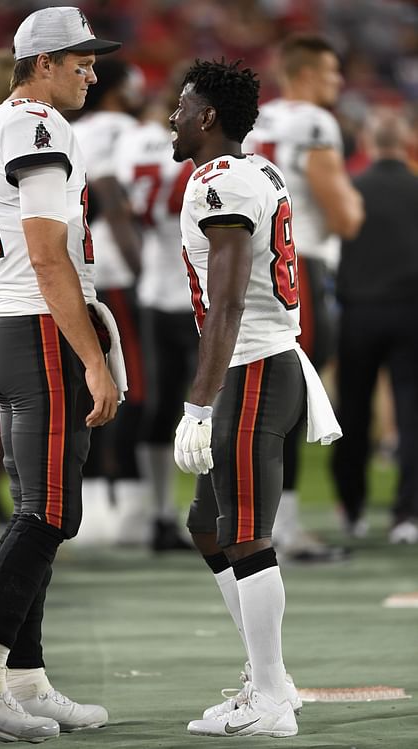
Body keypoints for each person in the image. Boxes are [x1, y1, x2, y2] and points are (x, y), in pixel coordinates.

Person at [0, 6, 123, 742]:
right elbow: (49, 257)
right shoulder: (38, 126)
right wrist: (91, 355)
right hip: (35, 327)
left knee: (37, 507)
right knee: (50, 510)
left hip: (2, 322)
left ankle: (25, 675)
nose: (93, 71)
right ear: (41, 64)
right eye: (79, 60)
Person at [169, 59, 341, 738]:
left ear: (207, 116)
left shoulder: (222, 183)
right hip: (261, 360)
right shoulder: (256, 169)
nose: (172, 117)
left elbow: (231, 300)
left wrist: (199, 402)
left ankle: (271, 696)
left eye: (183, 107)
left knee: (244, 531)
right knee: (208, 524)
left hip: (256, 365)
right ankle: (268, 675)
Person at [243, 33, 365, 561]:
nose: (337, 84)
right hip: (301, 265)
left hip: (255, 267)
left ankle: (262, 521)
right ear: (309, 74)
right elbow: (344, 216)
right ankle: (283, 529)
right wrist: (354, 204)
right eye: (332, 73)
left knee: (269, 396)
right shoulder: (314, 123)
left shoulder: (259, 119)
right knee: (292, 399)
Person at [115, 85, 198, 551]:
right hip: (197, 295)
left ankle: (161, 515)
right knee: (214, 408)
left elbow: (116, 197)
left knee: (160, 407)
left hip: (152, 289)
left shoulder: (131, 148)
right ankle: (218, 514)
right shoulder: (203, 150)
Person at [72, 58, 149, 545]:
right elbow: (111, 199)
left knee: (91, 379)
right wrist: (144, 267)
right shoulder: (127, 132)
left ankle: (98, 497)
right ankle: (119, 500)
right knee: (129, 385)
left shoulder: (73, 129)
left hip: (81, 265)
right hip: (117, 269)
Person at [332, 108, 418, 544]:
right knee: (411, 415)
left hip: (358, 314)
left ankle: (352, 509)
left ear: (367, 141)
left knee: (353, 413)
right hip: (411, 314)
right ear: (405, 141)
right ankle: (407, 515)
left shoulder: (349, 188)